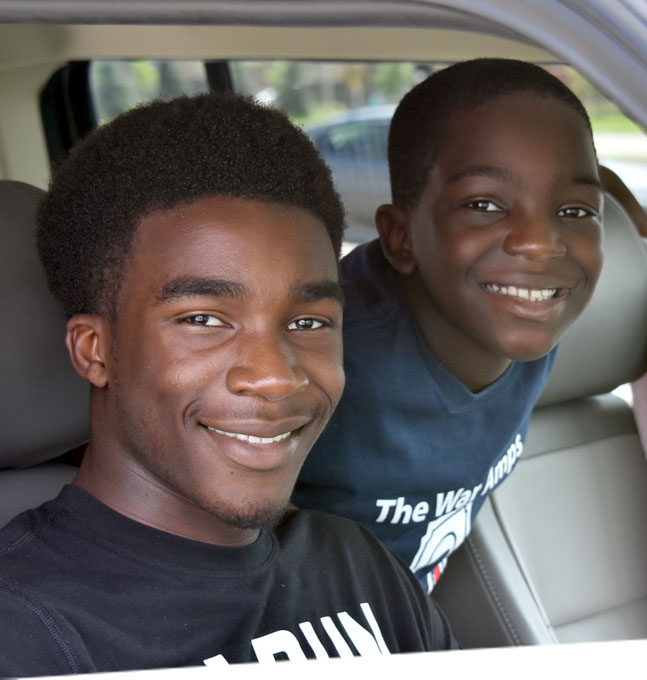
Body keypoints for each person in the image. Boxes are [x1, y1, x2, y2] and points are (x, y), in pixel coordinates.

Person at [0, 94, 451, 674]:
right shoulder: (24, 631)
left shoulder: (357, 564)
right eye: (204, 320)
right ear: (96, 350)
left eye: (309, 322)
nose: (275, 376)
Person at [290, 58, 609, 590]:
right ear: (400, 237)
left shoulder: (530, 315)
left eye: (574, 212)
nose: (539, 242)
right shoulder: (323, 364)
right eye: (485, 204)